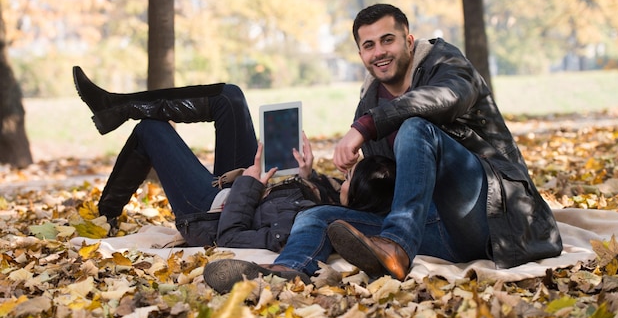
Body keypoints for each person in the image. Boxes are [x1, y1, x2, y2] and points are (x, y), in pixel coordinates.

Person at [203, 3, 562, 293]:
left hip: (488, 217)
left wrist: (364, 127)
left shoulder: (447, 65)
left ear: (409, 40)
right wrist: (334, 182)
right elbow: (387, 184)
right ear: (360, 52)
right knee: (315, 217)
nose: (379, 52)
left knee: (415, 129)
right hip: (430, 230)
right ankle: (286, 273)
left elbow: (447, 99)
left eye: (387, 40)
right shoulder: (371, 98)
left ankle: (396, 248)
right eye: (368, 45)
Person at [72, 66, 395, 260]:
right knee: (230, 96)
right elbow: (300, 194)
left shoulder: (311, 225)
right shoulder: (333, 194)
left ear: (355, 201)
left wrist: (251, 184)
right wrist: (306, 176)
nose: (344, 174)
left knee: (150, 130)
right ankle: (117, 104)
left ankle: (106, 213)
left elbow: (230, 236)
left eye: (350, 178)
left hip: (211, 210)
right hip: (245, 185)